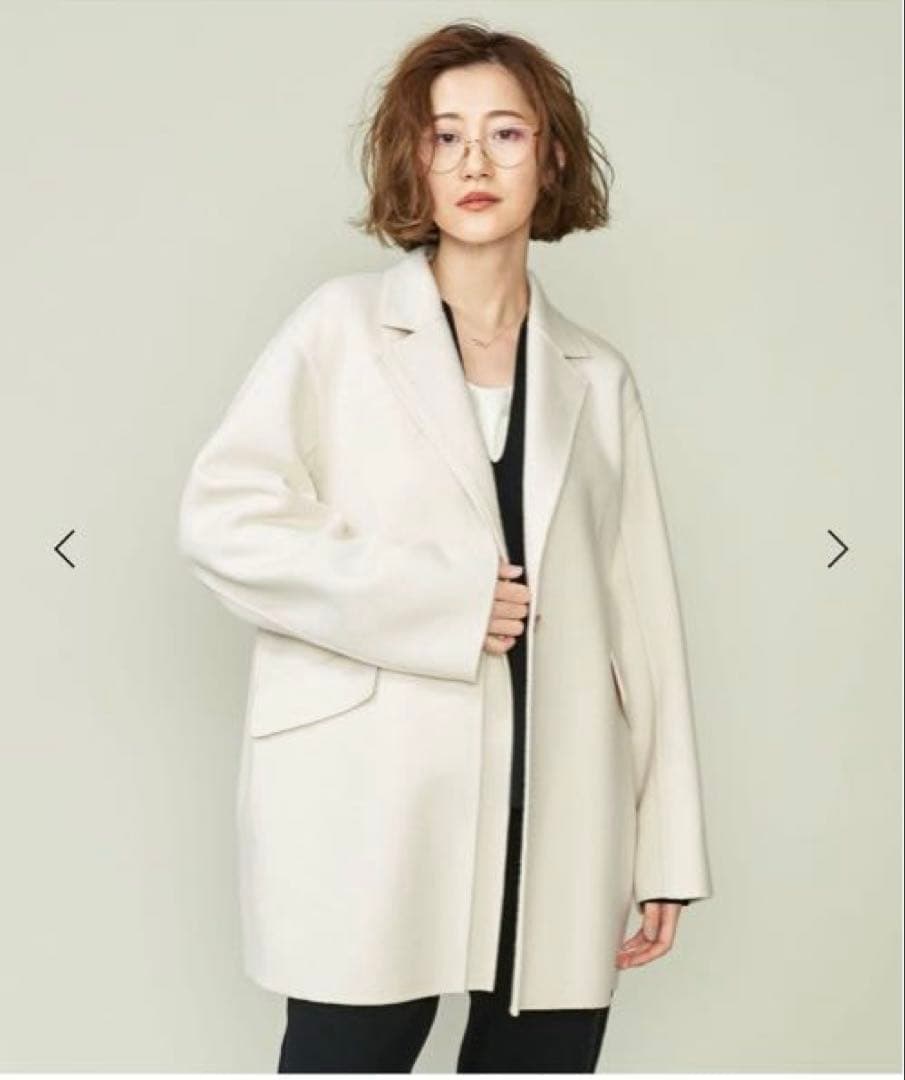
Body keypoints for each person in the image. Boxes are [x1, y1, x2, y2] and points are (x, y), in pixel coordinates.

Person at [178, 19, 713, 1074]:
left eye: (505, 134)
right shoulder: (339, 329)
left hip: (556, 803)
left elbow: (643, 623)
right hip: (377, 793)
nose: (474, 162)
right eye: (444, 136)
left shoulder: (595, 376)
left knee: (541, 1057)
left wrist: (665, 848)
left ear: (550, 159)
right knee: (347, 1052)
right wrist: (441, 603)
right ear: (411, 160)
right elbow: (221, 519)